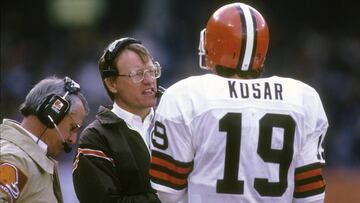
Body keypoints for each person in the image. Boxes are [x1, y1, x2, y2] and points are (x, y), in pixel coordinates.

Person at [149, 2, 328, 203]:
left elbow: (167, 194)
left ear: (212, 46)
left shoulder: (184, 96)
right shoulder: (302, 98)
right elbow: (310, 197)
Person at [72, 37, 162, 203]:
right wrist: (167, 198)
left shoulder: (173, 122)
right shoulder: (96, 137)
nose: (149, 80)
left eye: (152, 71)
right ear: (112, 83)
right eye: (137, 74)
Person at [0, 76, 89, 203]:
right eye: (72, 128)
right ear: (52, 114)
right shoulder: (15, 159)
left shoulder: (29, 161)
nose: (73, 140)